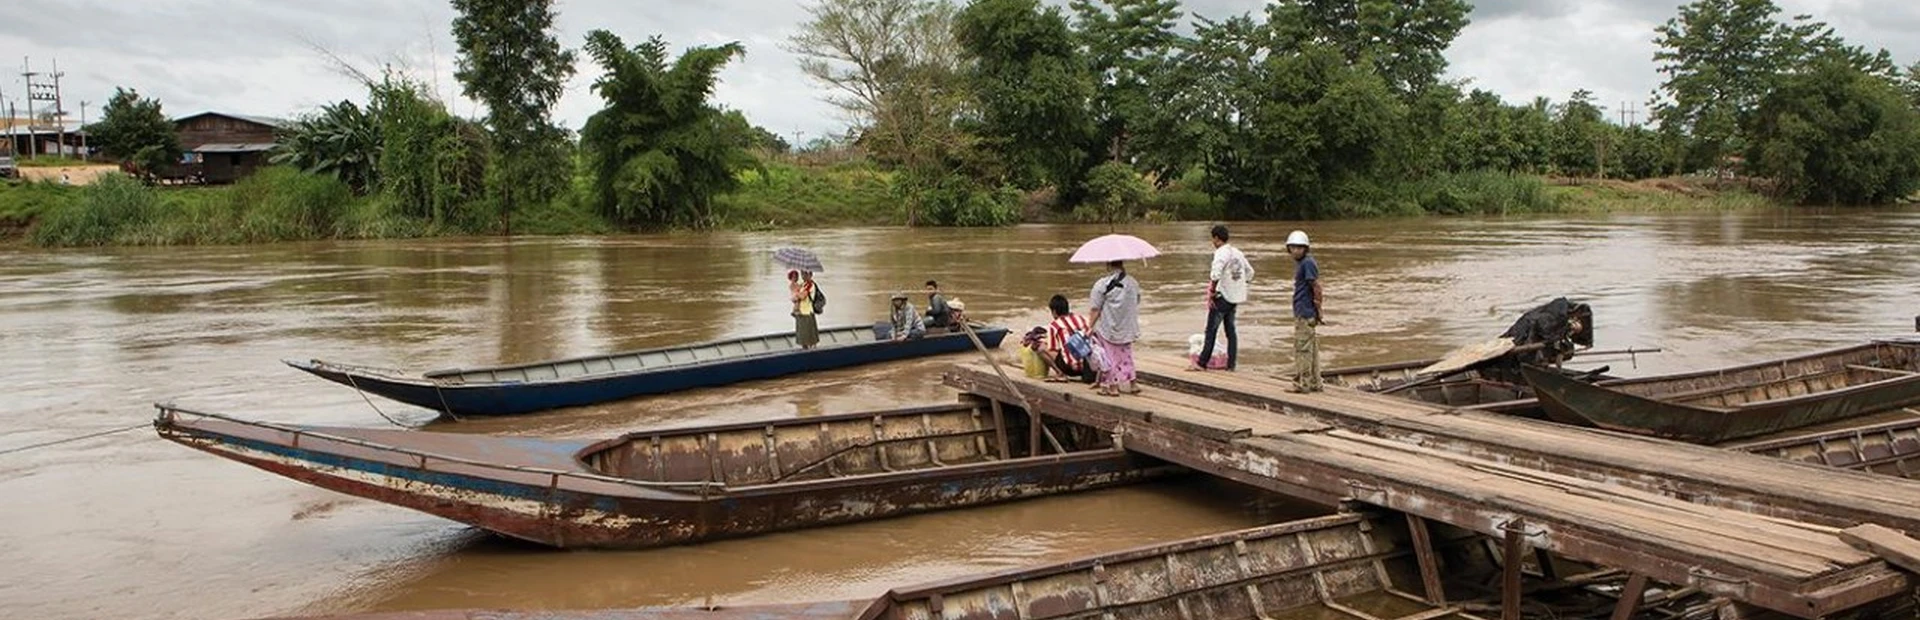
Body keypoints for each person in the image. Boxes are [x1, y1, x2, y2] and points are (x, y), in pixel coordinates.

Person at [1192, 224, 1251, 371]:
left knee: (1211, 330)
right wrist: (1238, 284)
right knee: (1231, 331)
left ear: (1216, 238)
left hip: (1222, 297)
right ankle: (1231, 365)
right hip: (1235, 297)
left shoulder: (1220, 253)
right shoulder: (1237, 253)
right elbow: (1250, 272)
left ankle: (1201, 363)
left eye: (1213, 239)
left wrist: (1212, 291)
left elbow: (1215, 274)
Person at [1088, 260, 1143, 397]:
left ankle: (1112, 386)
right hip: (1128, 327)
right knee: (1126, 355)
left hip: (1109, 327)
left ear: (1108, 265)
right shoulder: (1133, 283)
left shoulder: (1102, 284)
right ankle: (1133, 383)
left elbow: (1095, 308)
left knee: (1109, 356)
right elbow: (1137, 301)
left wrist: (1089, 327)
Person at [1286, 230, 1323, 393]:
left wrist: (1318, 308)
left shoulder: (1307, 263)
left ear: (1305, 249)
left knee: (1302, 349)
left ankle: (1303, 383)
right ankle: (1315, 382)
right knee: (1311, 348)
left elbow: (1316, 286)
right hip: (1305, 311)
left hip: (1305, 312)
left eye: (1299, 248)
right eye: (1293, 247)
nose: (1295, 251)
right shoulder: (1304, 263)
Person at [1042, 294, 1095, 383]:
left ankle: (1060, 374)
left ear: (1054, 312)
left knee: (1041, 348)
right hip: (1089, 367)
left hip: (1070, 369)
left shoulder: (1054, 326)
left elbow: (1052, 348)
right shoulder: (1083, 319)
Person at [790, 270, 822, 349]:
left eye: (805, 274)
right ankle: (805, 350)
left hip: (807, 313)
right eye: (802, 274)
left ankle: (812, 352)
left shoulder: (810, 285)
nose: (803, 276)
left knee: (809, 338)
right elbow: (794, 298)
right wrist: (795, 292)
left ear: (811, 275)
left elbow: (802, 296)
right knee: (802, 338)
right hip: (800, 312)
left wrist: (796, 293)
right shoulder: (803, 285)